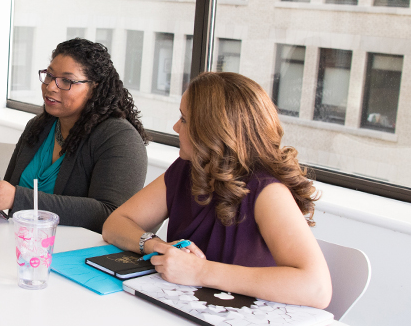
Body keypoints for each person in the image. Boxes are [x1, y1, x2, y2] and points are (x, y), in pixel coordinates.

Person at [101, 72, 332, 308]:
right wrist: (154, 245)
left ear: (214, 131)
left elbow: (317, 288)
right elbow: (115, 224)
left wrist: (200, 272)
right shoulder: (188, 168)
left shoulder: (267, 191)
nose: (175, 126)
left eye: (185, 119)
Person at [0, 38, 148, 233]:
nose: (51, 87)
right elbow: (12, 189)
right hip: (24, 243)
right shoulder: (39, 126)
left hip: (78, 255)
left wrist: (17, 199)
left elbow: (110, 214)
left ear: (94, 88)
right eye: (49, 76)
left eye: (66, 81)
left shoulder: (119, 138)